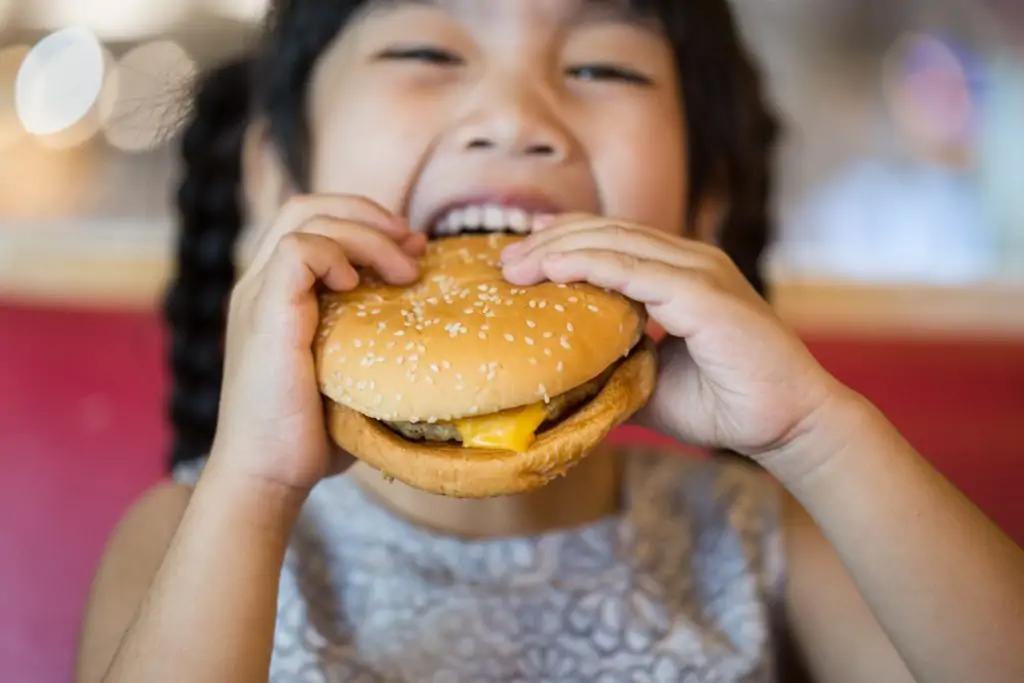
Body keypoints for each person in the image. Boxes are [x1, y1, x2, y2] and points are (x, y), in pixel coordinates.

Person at [76, 2, 1024, 682]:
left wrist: (815, 435)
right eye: (425, 49)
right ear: (275, 175)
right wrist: (253, 484)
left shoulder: (763, 535)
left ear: (705, 205)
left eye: (604, 68)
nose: (516, 120)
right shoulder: (198, 527)